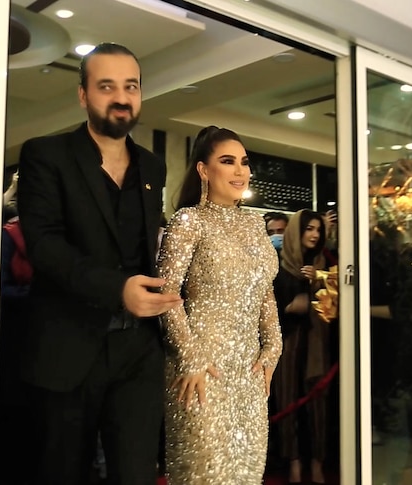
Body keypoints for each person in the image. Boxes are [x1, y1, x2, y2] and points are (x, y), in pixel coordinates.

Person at [17, 42, 180, 485]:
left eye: (131, 86)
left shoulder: (152, 166)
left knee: (137, 473)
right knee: (62, 472)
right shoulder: (45, 155)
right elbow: (45, 247)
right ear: (83, 95)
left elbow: (149, 246)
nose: (121, 97)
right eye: (106, 86)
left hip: (138, 351)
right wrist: (118, 290)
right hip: (67, 347)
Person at [158, 126, 282, 484]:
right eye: (228, 162)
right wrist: (190, 356)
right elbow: (167, 295)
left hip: (248, 371)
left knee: (246, 471)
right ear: (203, 170)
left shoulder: (254, 223)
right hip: (200, 369)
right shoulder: (189, 221)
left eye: (244, 162)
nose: (240, 171)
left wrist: (273, 347)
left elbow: (264, 290)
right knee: (207, 472)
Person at [273, 209, 336, 484]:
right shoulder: (279, 265)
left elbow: (335, 307)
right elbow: (267, 308)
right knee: (288, 399)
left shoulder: (328, 263)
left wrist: (319, 280)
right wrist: (288, 306)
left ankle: (318, 462)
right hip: (288, 342)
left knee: (318, 404)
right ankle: (295, 463)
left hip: (319, 344)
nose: (314, 235)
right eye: (308, 229)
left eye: (317, 230)